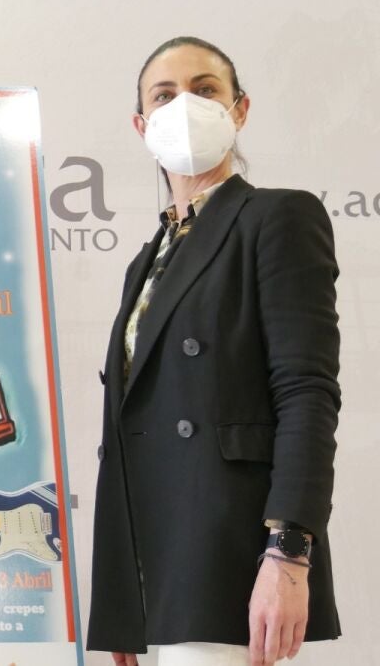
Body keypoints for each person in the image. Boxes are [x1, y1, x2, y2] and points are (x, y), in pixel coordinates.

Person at [88, 36, 341, 666]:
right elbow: (131, 432)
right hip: (154, 566)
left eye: (204, 90)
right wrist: (122, 598)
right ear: (141, 125)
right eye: (164, 95)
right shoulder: (147, 260)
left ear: (239, 109)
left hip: (231, 555)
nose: (184, 106)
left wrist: (289, 553)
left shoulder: (278, 217)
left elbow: (307, 393)